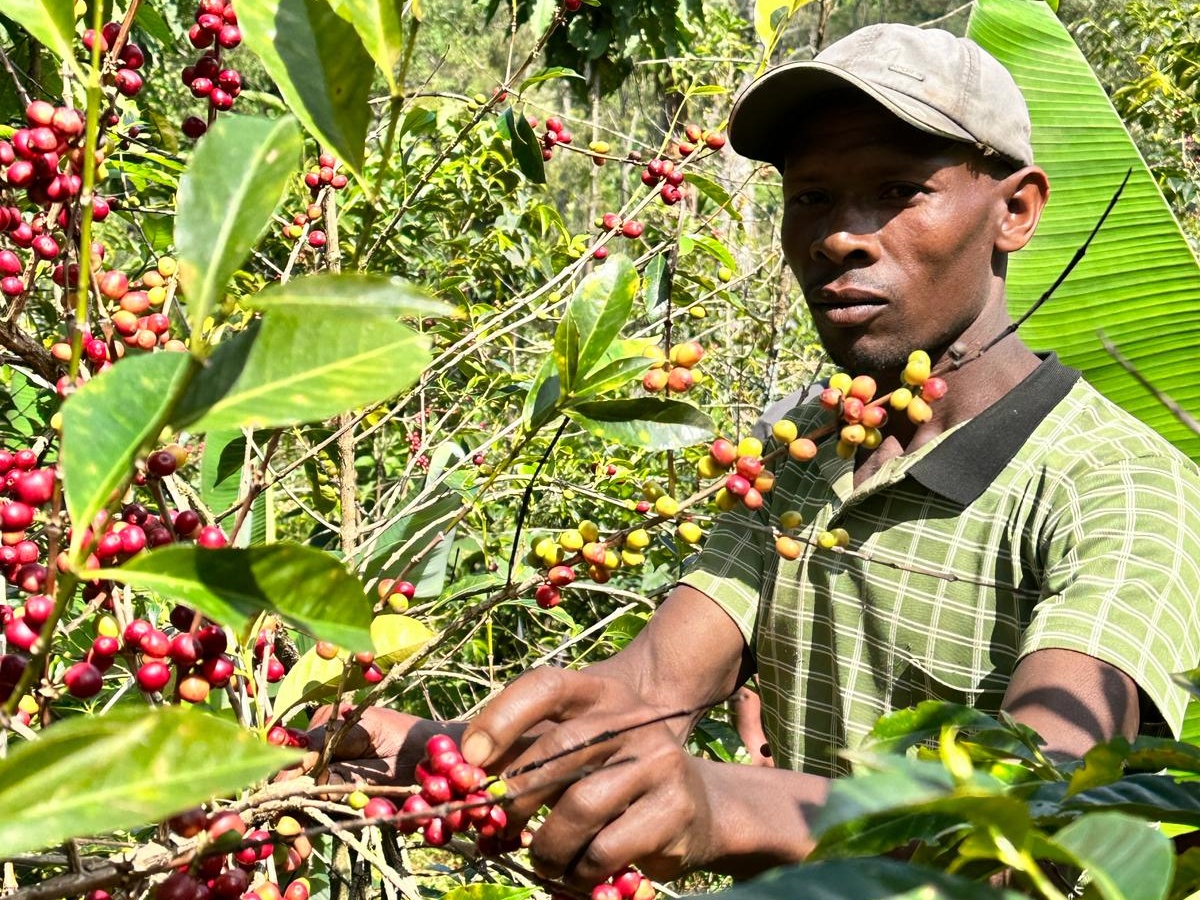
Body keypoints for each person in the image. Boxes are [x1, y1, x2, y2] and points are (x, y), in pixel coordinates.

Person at [304, 21, 1200, 887]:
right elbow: (652, 687)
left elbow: (1034, 808)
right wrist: (449, 752)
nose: (838, 236)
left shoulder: (1121, 487)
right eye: (810, 197)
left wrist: (729, 806)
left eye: (896, 191)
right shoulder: (811, 444)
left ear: (1015, 211)